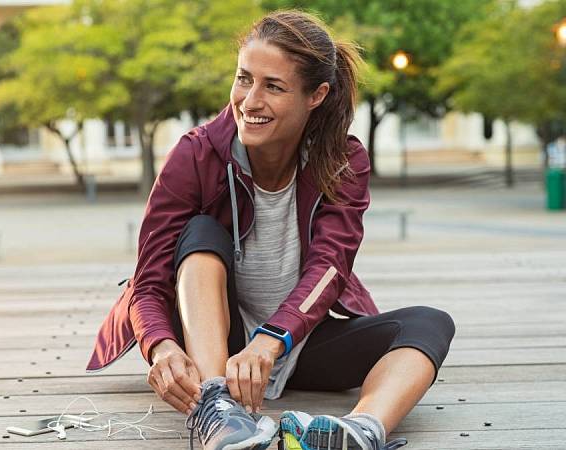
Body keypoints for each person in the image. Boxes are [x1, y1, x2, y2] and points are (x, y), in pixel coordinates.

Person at [87, 10, 455, 450]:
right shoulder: (196, 154)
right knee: (202, 232)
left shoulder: (343, 161)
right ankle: (217, 408)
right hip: (218, 348)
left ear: (316, 95)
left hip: (297, 341)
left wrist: (272, 340)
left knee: (430, 323)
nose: (249, 101)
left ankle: (361, 432)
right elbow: (147, 282)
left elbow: (330, 268)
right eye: (244, 78)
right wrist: (162, 347)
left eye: (273, 86)